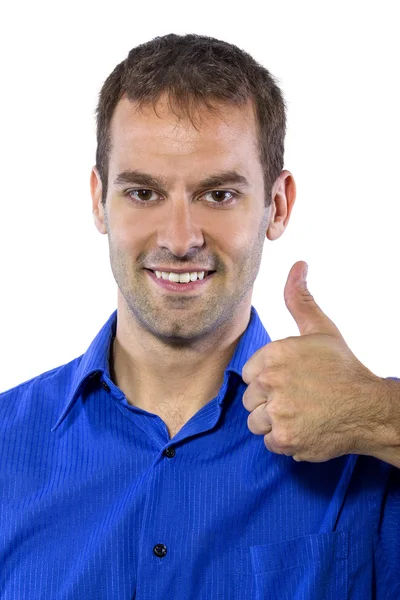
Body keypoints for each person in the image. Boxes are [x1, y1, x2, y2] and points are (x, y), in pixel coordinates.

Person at [0, 33, 399, 600]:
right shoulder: (6, 445)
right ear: (98, 201)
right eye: (142, 193)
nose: (180, 239)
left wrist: (381, 413)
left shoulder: (367, 450)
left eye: (218, 195)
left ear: (277, 206)